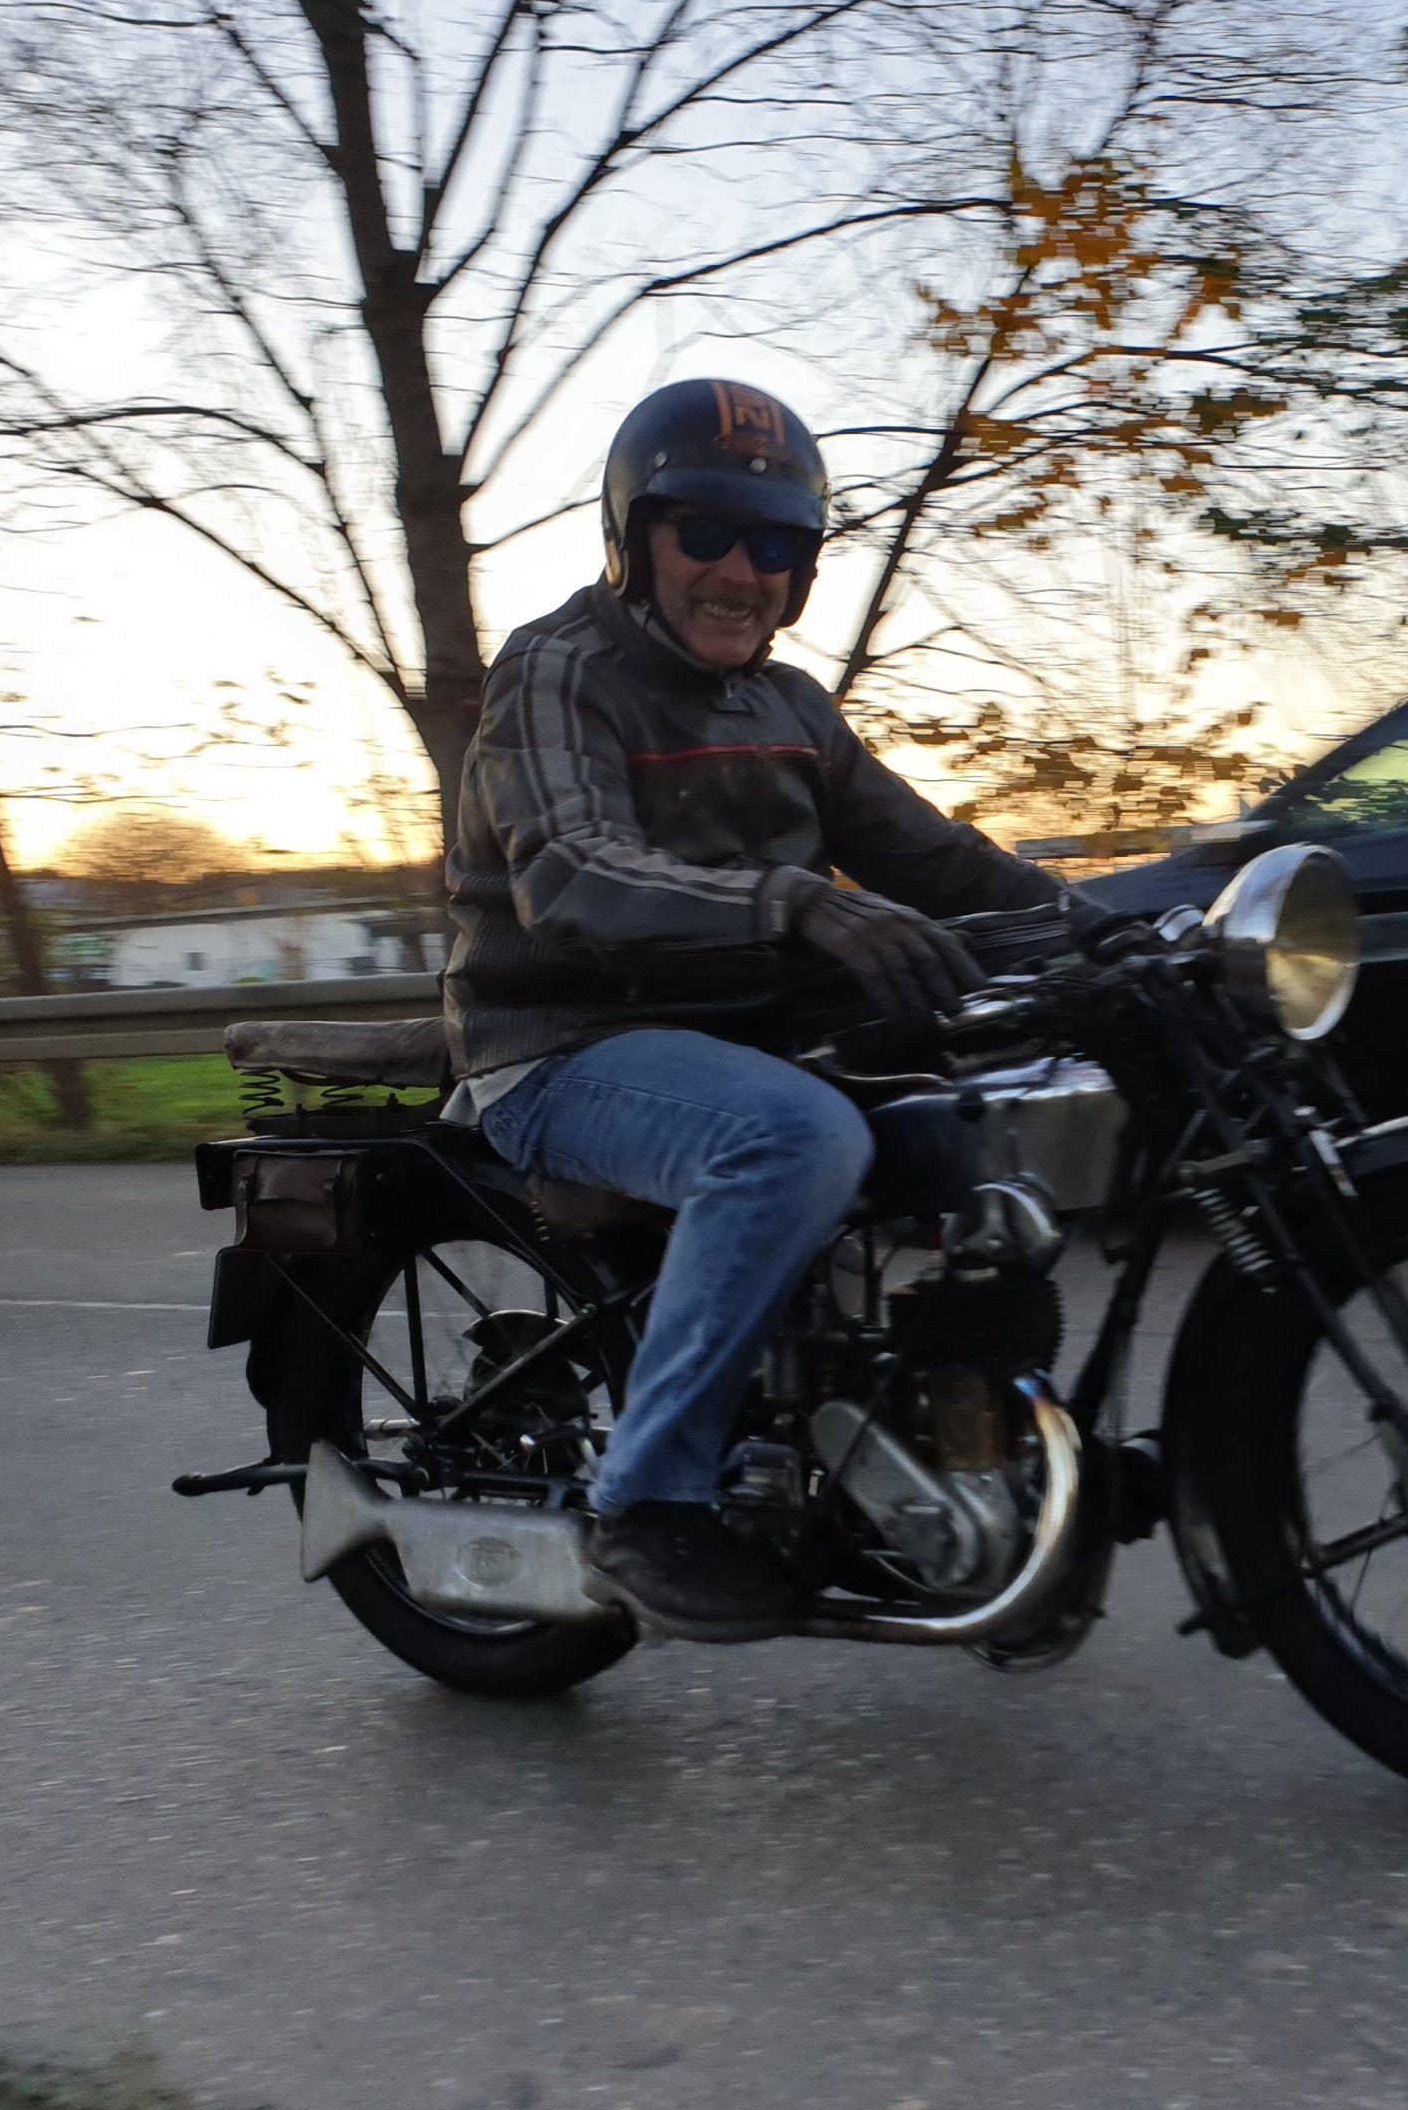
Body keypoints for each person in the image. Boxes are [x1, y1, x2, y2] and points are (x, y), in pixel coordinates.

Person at [441, 377, 1065, 1642]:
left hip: (742, 1037)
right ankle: (647, 1502)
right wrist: (798, 904)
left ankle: (951, 1457)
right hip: (564, 1044)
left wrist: (1103, 924)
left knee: (992, 1108)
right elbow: (572, 870)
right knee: (793, 1137)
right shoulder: (557, 670)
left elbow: (936, 859)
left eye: (776, 545)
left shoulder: (788, 707)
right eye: (708, 533)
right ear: (635, 538)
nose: (741, 572)